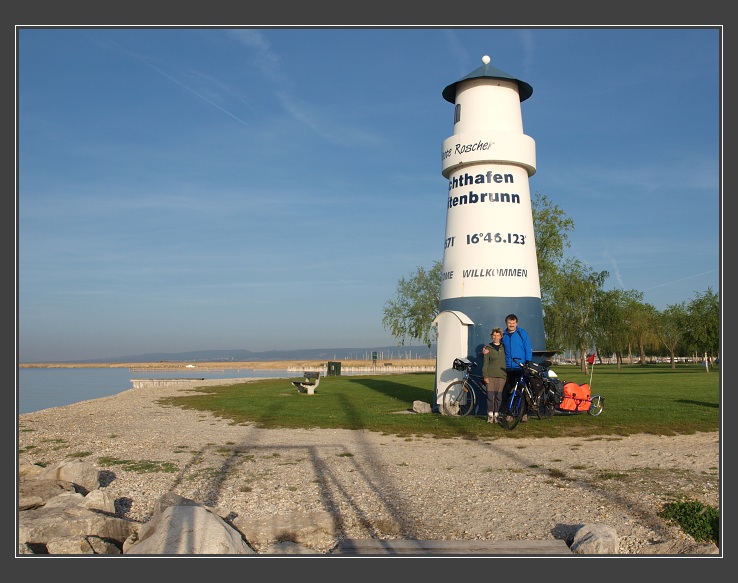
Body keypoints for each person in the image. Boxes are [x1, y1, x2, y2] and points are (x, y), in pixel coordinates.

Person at [500, 313, 533, 422]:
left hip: (520, 366)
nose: (511, 325)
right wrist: (487, 348)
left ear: (516, 323)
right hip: (508, 367)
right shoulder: (503, 335)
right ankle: (510, 413)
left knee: (521, 391)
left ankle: (524, 413)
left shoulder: (522, 333)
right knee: (509, 391)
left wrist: (527, 362)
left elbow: (527, 348)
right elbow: (497, 345)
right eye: (509, 323)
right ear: (506, 323)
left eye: (513, 323)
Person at [482, 327, 506, 423]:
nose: (496, 337)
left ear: (501, 336)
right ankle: (490, 415)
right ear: (492, 336)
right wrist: (485, 376)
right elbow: (485, 364)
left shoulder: (504, 347)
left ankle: (496, 415)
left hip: (502, 375)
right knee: (490, 396)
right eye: (494, 335)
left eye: (498, 335)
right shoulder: (488, 348)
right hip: (490, 375)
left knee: (499, 397)